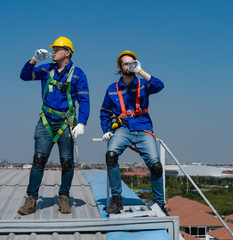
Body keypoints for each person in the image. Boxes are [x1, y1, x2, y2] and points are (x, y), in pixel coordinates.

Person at [18, 36, 90, 215]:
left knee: (67, 162)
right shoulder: (45, 70)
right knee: (38, 160)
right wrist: (33, 60)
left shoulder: (78, 74)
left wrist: (81, 122)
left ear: (67, 52)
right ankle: (31, 200)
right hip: (46, 121)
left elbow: (84, 100)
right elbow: (24, 76)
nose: (53, 51)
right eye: (53, 48)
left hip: (66, 123)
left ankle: (63, 197)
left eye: (57, 49)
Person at [100, 50, 167, 215]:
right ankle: (116, 199)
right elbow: (104, 113)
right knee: (111, 156)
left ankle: (160, 204)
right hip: (123, 128)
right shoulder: (112, 89)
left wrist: (140, 71)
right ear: (120, 67)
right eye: (125, 63)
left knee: (156, 166)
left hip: (143, 128)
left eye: (132, 63)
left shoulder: (143, 84)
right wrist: (107, 130)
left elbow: (159, 85)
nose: (129, 66)